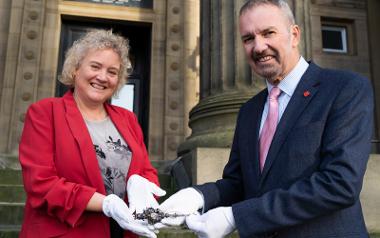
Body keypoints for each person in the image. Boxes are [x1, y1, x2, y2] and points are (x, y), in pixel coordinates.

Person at [157, 0, 374, 237]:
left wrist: (235, 216)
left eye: (268, 33)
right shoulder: (249, 110)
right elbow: (239, 184)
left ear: (294, 35)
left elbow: (339, 184)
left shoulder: (345, 89)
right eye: (248, 38)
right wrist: (198, 196)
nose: (259, 47)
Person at [19, 30, 165, 238]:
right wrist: (104, 203)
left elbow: (147, 171)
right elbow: (40, 184)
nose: (103, 77)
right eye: (95, 66)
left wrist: (143, 189)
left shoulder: (128, 119)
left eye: (112, 72)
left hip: (124, 231)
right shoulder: (45, 112)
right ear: (76, 69)